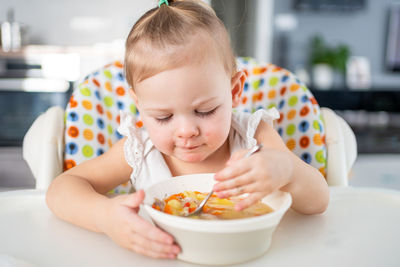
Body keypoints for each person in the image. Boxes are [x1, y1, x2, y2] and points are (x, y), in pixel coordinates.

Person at [46, 0, 329, 260]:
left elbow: (319, 202)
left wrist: (287, 170)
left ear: (234, 90)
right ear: (140, 105)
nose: (186, 131)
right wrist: (105, 217)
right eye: (163, 116)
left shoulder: (254, 138)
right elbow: (60, 190)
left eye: (205, 111)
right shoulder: (139, 150)